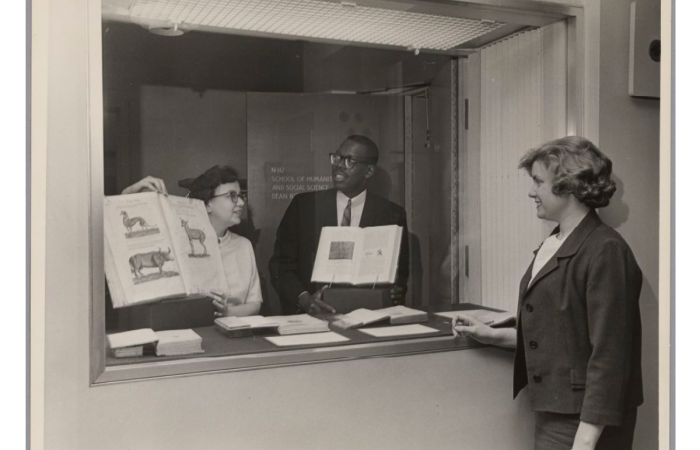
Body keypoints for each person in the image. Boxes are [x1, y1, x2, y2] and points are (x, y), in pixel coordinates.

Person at [452, 136, 643, 450]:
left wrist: (585, 439)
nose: (531, 191)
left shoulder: (605, 249)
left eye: (538, 182)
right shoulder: (557, 241)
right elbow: (560, 336)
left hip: (586, 419)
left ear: (567, 186)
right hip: (556, 412)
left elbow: (610, 354)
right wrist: (492, 335)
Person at [269, 135, 410, 315]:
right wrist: (305, 299)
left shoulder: (391, 214)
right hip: (312, 320)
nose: (339, 165)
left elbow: (401, 274)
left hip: (368, 319)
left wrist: (395, 291)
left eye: (350, 160)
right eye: (337, 157)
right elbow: (280, 265)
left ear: (369, 171)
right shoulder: (304, 207)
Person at [122, 166, 263, 318]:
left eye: (241, 195)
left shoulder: (244, 246)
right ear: (208, 204)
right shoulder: (178, 246)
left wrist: (228, 312)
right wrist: (129, 194)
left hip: (234, 335)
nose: (241, 202)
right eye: (232, 196)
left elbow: (254, 303)